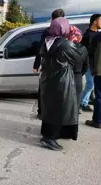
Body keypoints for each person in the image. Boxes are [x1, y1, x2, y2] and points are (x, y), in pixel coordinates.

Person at [39, 17, 86, 151]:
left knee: (49, 109)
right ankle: (50, 138)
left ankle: (47, 135)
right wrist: (75, 41)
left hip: (47, 79)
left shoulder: (47, 42)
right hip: (62, 81)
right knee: (60, 110)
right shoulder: (66, 44)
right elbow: (78, 59)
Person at [33, 9, 65, 119]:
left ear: (52, 19)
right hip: (62, 67)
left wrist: (36, 65)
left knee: (43, 89)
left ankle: (42, 112)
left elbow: (41, 49)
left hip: (48, 66)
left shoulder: (48, 31)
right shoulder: (69, 32)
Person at [80, 14, 101, 112]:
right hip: (89, 64)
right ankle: (81, 103)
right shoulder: (87, 35)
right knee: (90, 84)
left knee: (93, 85)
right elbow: (85, 52)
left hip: (97, 64)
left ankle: (85, 101)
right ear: (95, 22)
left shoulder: (98, 34)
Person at [68, 26, 89, 113]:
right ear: (80, 38)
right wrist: (80, 73)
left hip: (67, 76)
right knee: (76, 99)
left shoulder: (66, 48)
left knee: (67, 99)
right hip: (78, 76)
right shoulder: (84, 49)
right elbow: (86, 65)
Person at [85, 19, 101, 128]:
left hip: (99, 71)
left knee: (99, 95)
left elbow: (90, 53)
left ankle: (97, 121)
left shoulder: (97, 37)